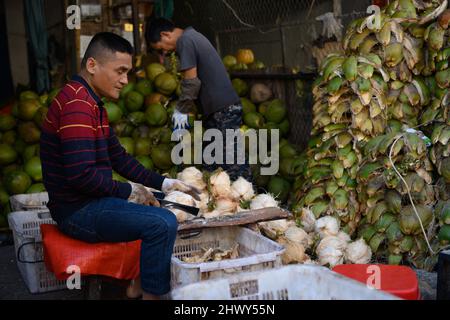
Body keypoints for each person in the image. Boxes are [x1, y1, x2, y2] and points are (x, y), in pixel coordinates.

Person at [40, 32, 201, 300]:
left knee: (174, 202)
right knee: (163, 222)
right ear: (92, 66)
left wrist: (164, 183)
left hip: (92, 201)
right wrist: (130, 191)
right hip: (78, 212)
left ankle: (136, 285)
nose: (125, 80)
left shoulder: (92, 103)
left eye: (127, 72)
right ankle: (152, 295)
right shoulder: (77, 105)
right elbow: (81, 176)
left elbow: (119, 158)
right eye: (120, 71)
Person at [145, 18, 251, 181]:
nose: (164, 53)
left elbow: (191, 82)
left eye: (161, 49)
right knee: (213, 161)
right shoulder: (192, 36)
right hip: (219, 109)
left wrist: (181, 110)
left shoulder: (185, 41)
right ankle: (218, 200)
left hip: (223, 109)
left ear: (165, 35)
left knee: (232, 162)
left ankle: (248, 199)